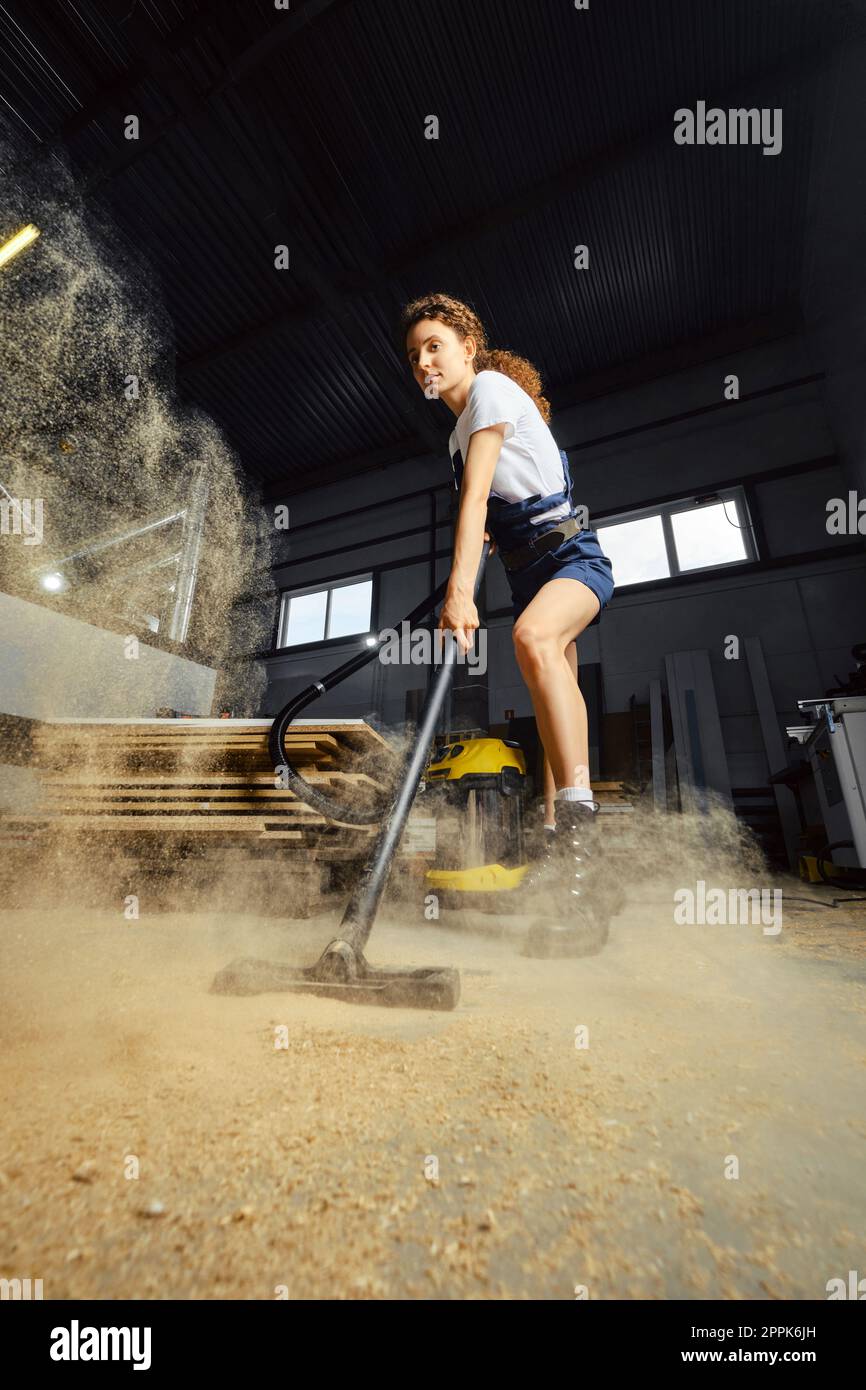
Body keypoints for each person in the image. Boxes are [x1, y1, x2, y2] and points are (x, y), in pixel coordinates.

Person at [400, 293, 616, 930]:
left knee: (531, 639)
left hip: (573, 561)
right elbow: (488, 512)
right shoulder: (454, 438)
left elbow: (473, 505)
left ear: (468, 346)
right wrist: (487, 545)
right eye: (414, 355)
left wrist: (460, 591)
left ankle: (583, 842)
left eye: (435, 346)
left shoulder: (491, 389)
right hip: (528, 573)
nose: (423, 362)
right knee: (556, 707)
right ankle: (559, 849)